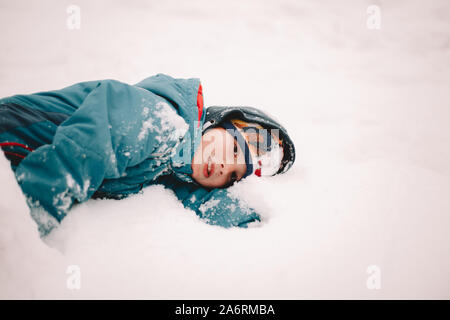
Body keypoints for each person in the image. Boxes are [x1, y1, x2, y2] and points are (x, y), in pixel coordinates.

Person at [0, 74, 295, 236]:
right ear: (212, 123)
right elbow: (78, 155)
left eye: (232, 175)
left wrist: (254, 222)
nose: (221, 166)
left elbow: (196, 196)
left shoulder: (175, 163)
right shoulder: (155, 117)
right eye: (232, 148)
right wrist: (24, 223)